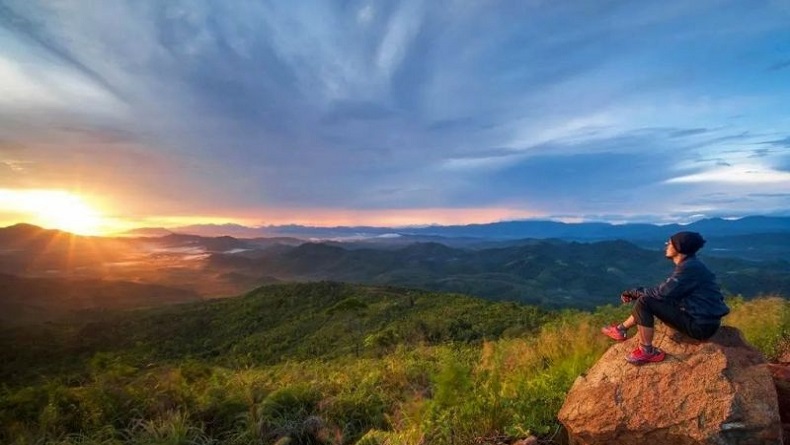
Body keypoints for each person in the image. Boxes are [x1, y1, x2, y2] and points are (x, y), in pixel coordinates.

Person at [601, 231, 730, 365]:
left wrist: (634, 292)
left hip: (699, 326)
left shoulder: (689, 268)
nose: (666, 245)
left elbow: (661, 293)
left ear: (679, 247)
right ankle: (621, 329)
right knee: (648, 300)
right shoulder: (693, 265)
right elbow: (667, 293)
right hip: (704, 322)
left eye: (670, 243)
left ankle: (647, 351)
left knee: (645, 302)